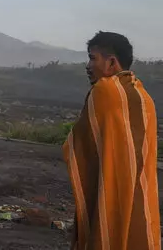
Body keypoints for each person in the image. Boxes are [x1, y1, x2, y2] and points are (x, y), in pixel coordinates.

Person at [63, 31, 161, 250]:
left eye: (92, 58)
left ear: (112, 62)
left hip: (111, 192)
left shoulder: (104, 90)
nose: (88, 65)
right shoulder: (145, 97)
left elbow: (78, 142)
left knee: (107, 233)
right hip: (141, 196)